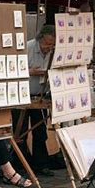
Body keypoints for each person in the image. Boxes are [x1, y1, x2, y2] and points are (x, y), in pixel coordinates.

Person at [12, 25, 56, 176]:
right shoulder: (28, 47)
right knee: (21, 132)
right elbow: (13, 69)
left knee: (40, 131)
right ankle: (20, 166)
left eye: (51, 44)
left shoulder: (52, 51)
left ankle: (41, 164)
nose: (48, 47)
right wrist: (30, 72)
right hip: (22, 96)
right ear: (40, 39)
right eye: (46, 43)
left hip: (41, 96)